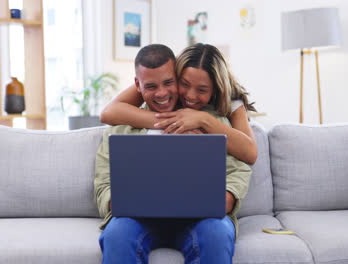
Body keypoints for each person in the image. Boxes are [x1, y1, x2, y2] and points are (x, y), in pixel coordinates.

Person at [94, 44, 251, 264]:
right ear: (138, 85)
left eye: (169, 82)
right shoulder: (121, 127)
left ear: (177, 77)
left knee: (216, 233)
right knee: (117, 235)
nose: (162, 93)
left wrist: (226, 198)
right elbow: (103, 185)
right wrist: (120, 201)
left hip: (201, 220)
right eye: (151, 86)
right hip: (138, 220)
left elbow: (240, 167)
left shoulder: (214, 123)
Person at [100, 43, 258, 165]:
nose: (190, 95)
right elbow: (108, 112)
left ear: (216, 89)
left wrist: (203, 119)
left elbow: (250, 154)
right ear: (176, 74)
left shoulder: (231, 100)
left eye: (202, 90)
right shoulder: (158, 81)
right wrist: (175, 122)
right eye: (184, 83)